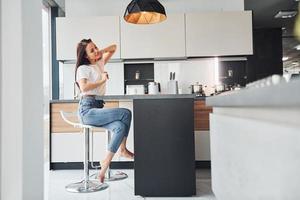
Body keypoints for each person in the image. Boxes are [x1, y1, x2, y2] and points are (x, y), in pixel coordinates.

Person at [75, 38, 134, 183]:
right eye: (91, 50)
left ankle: (104, 166)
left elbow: (113, 48)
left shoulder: (98, 64)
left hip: (98, 108)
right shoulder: (83, 69)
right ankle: (123, 150)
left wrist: (99, 52)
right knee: (125, 113)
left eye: (95, 47)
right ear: (85, 56)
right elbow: (83, 88)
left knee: (120, 126)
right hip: (87, 111)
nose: (95, 51)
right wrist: (102, 80)